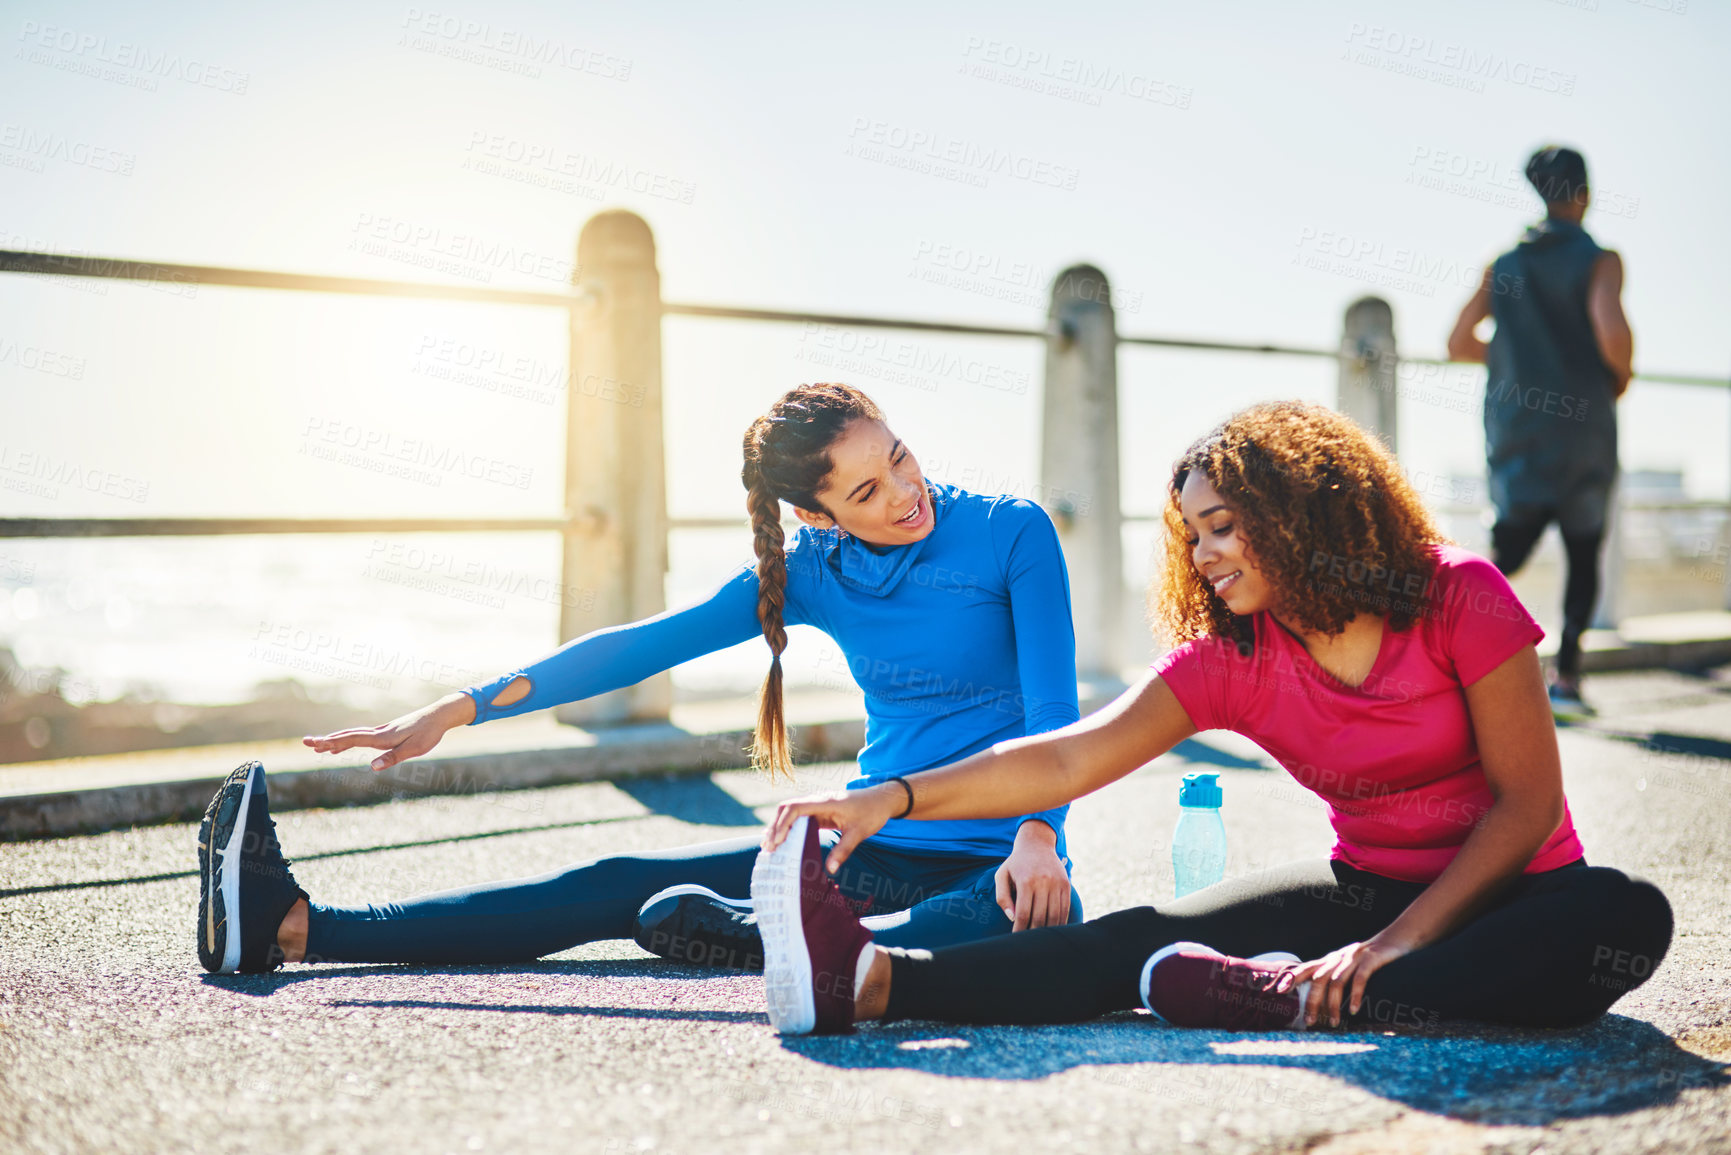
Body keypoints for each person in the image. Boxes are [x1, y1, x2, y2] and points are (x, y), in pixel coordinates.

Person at [752, 401, 1672, 1037]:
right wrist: (888, 798)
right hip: (1363, 887)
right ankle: (874, 984)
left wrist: (1384, 949)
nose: (1204, 553)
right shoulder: (1233, 656)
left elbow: (1526, 806)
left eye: (1224, 524)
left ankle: (1296, 995)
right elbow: (1068, 760)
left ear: (1300, 508)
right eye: (1192, 533)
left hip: (1520, 894)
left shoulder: (1455, 593)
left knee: (1624, 917)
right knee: (1136, 936)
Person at [195, 382, 1086, 975]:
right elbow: (641, 646)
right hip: (860, 846)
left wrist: (1039, 833)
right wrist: (460, 706)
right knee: (616, 877)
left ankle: (798, 942)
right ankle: (290, 927)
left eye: (896, 456)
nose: (901, 492)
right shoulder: (813, 567)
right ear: (814, 514)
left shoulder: (1011, 533)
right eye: (862, 493)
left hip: (1000, 856)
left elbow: (1054, 711)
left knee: (1026, 915)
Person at [1447, 144, 1635, 720]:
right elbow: (1613, 338)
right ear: (1584, 193)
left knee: (1508, 549)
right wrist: (1617, 378)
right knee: (1583, 550)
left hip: (1518, 430)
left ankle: (1446, 658)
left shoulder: (1503, 265)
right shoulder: (1600, 261)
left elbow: (1458, 343)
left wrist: (1513, 365)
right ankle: (1567, 681)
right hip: (1584, 434)